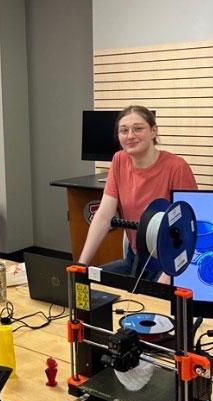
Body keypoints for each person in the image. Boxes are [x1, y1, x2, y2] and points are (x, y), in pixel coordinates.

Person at [78, 105, 198, 279]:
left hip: (169, 263)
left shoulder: (177, 167)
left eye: (138, 129)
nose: (130, 136)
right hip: (135, 260)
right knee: (90, 281)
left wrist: (167, 278)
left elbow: (190, 231)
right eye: (124, 130)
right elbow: (103, 216)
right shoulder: (119, 160)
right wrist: (81, 265)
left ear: (153, 131)